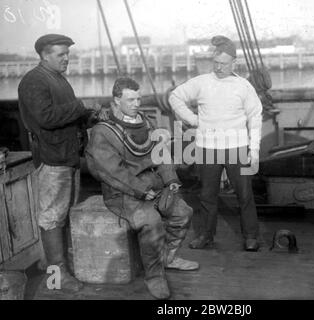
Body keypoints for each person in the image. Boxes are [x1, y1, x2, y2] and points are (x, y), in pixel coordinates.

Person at [85, 77, 199, 300]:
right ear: (116, 100)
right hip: (122, 193)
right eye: (131, 99)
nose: (137, 103)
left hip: (153, 186)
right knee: (151, 222)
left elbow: (161, 154)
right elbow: (111, 171)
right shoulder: (103, 132)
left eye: (138, 98)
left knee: (183, 213)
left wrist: (170, 179)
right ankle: (155, 276)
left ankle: (169, 257)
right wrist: (140, 190)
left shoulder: (145, 122)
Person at [18, 34, 103, 292]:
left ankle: (53, 263)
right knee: (52, 218)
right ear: (44, 55)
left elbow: (64, 116)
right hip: (52, 159)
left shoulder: (57, 79)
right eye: (60, 54)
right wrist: (79, 106)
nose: (67, 58)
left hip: (66, 157)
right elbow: (45, 117)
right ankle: (57, 277)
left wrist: (88, 116)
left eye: (68, 54)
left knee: (62, 216)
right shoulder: (35, 80)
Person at [168, 35, 263, 252]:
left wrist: (254, 150)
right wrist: (192, 120)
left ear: (234, 63)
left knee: (245, 195)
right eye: (216, 63)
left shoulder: (243, 86)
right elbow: (175, 97)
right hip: (208, 148)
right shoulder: (201, 82)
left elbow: (255, 116)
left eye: (224, 64)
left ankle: (251, 237)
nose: (219, 68)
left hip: (236, 148)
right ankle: (206, 236)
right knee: (207, 196)